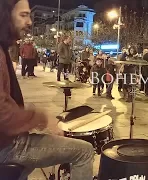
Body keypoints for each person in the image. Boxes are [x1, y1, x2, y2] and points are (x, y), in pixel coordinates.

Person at [0, 0, 95, 180]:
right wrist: (41, 118)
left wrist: (28, 116)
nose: (29, 21)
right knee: (84, 151)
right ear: (5, 16)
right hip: (7, 146)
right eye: (23, 15)